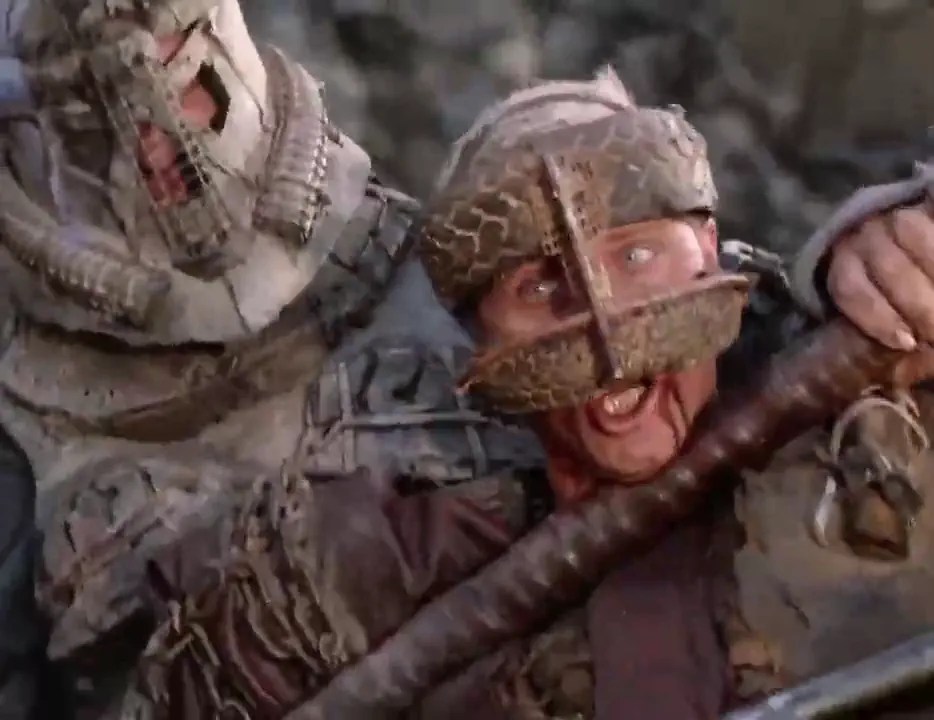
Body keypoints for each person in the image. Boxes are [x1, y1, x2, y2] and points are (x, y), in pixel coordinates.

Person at [120, 69, 934, 720]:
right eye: (540, 286)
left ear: (709, 249)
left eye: (638, 256)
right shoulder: (381, 547)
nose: (599, 316)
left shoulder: (853, 402)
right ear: (482, 340)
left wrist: (886, 256)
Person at [0, 0, 541, 717]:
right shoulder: (21, 441)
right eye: (91, 126)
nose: (158, 151)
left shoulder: (450, 273)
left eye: (183, 88)